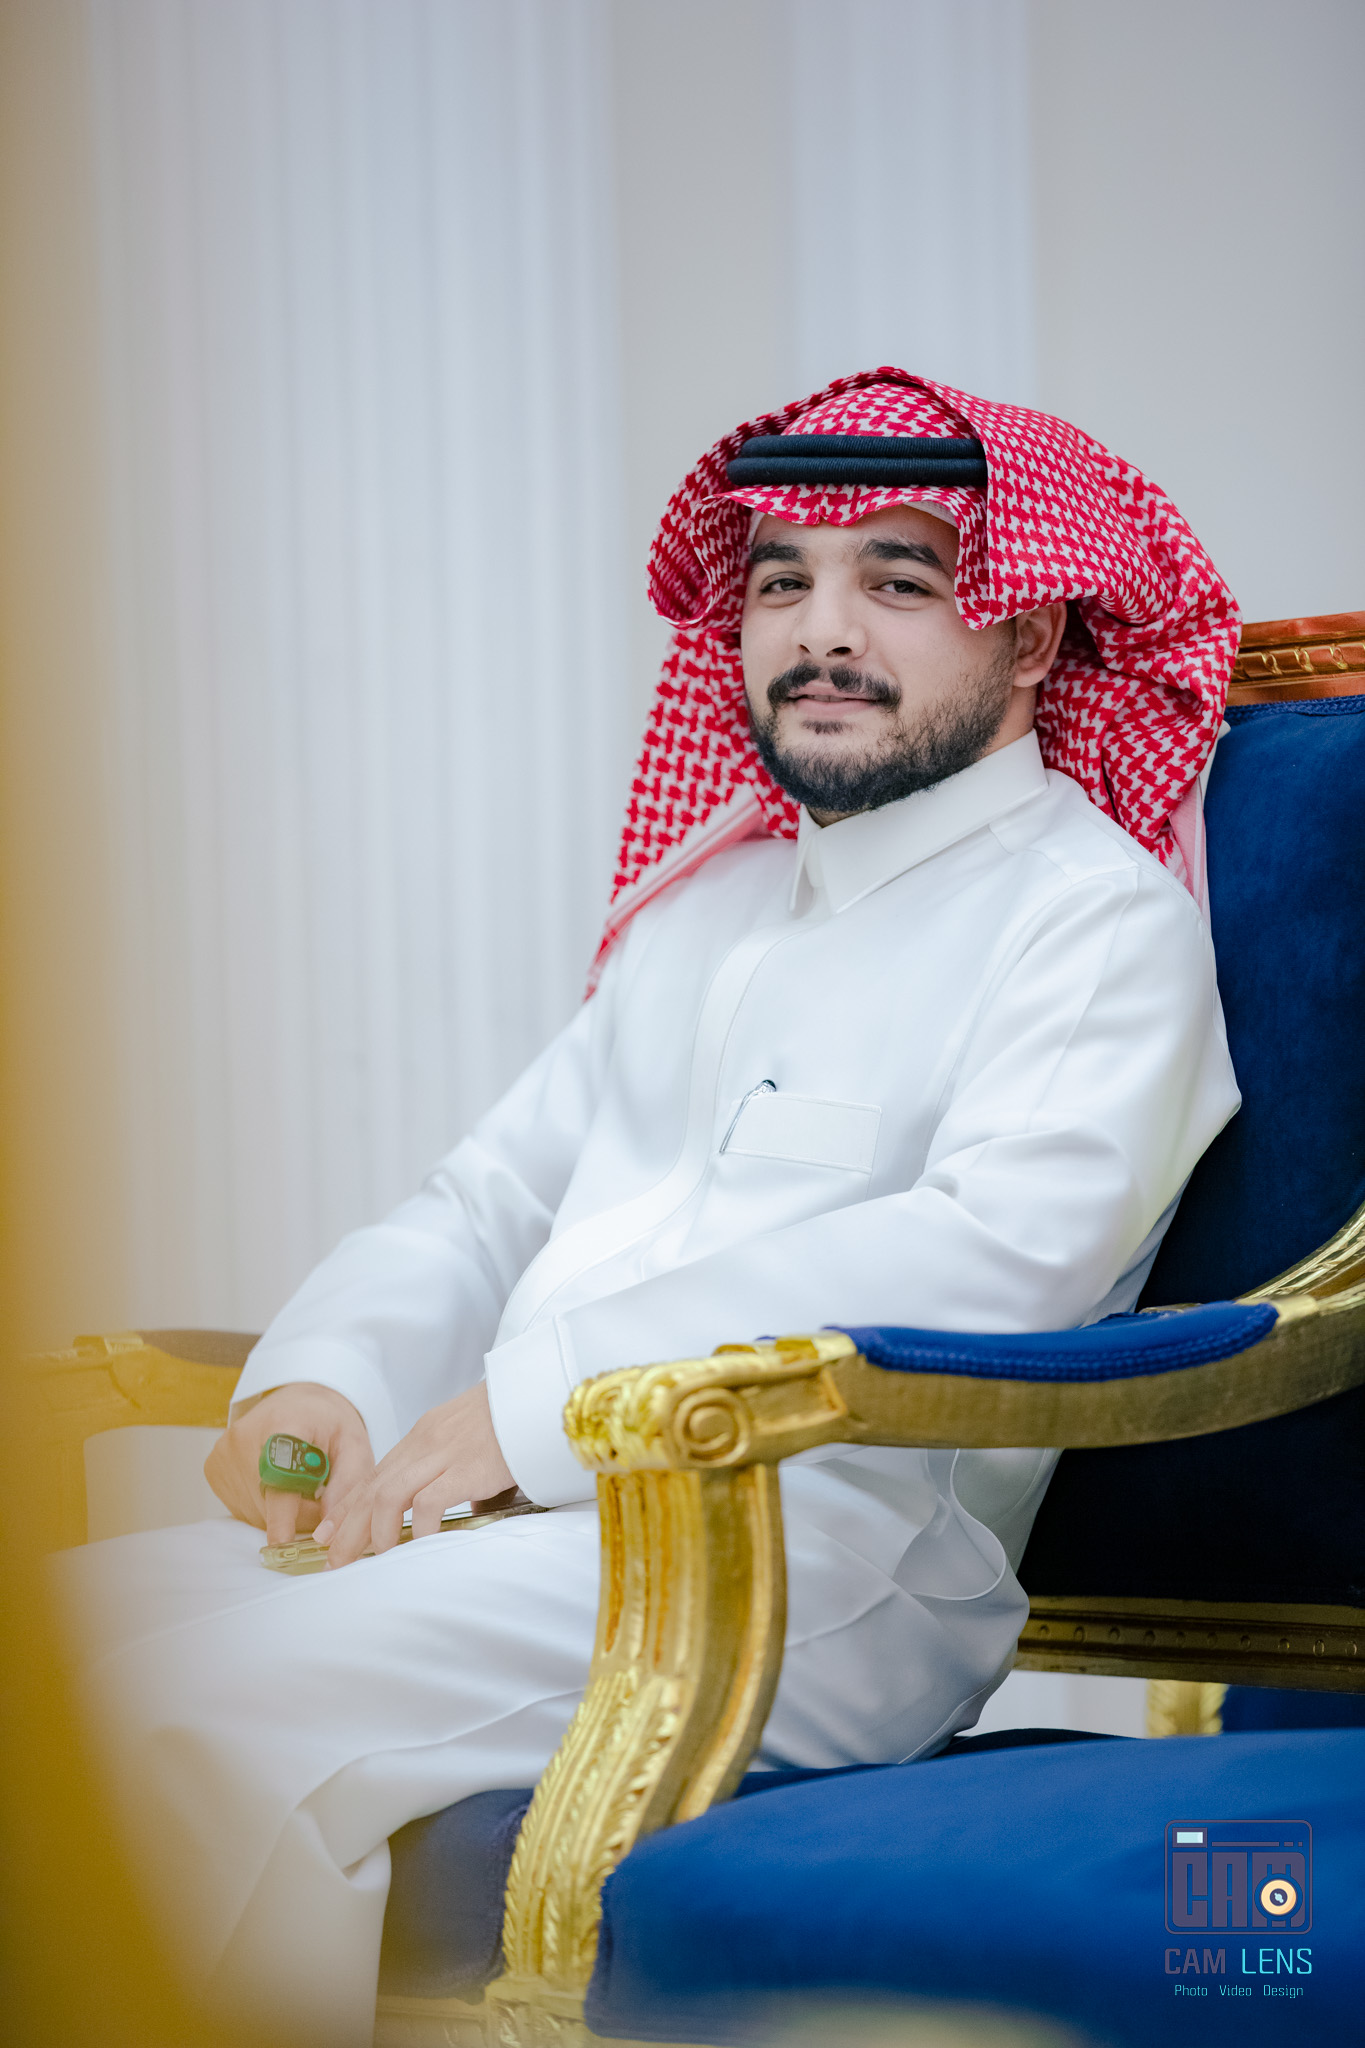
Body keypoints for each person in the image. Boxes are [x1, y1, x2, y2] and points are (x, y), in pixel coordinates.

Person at [56, 369, 1241, 2046]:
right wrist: (320, 1382)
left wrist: (532, 1411)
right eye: (780, 581)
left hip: (807, 1567)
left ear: (1030, 632)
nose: (820, 631)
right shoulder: (710, 909)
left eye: (897, 581)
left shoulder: (1091, 924)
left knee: (170, 1711)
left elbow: (990, 1258)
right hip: (515, 1532)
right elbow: (487, 1199)